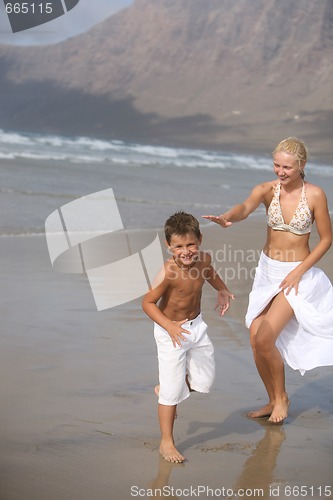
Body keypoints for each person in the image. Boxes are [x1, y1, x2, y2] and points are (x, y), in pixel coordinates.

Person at [203, 137, 333, 424]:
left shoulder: (315, 195)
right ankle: (272, 399)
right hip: (267, 272)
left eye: (287, 166)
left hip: (296, 275)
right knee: (255, 339)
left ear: (302, 165)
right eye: (276, 165)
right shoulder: (266, 190)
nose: (280, 171)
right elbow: (245, 207)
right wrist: (228, 217)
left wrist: (300, 271)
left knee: (265, 337)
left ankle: (283, 398)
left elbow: (327, 239)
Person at [142, 211, 234, 463]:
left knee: (204, 381)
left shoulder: (203, 259)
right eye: (179, 246)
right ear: (168, 246)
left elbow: (210, 273)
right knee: (171, 394)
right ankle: (166, 441)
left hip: (197, 327)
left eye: (190, 244)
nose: (186, 251)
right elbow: (148, 303)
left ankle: (169, 387)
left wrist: (222, 290)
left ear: (200, 240)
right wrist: (169, 327)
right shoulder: (168, 272)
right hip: (169, 332)